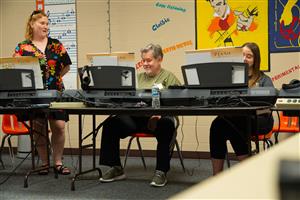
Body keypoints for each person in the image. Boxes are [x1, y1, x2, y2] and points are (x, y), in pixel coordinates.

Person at [99, 44, 181, 187]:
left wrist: (159, 115)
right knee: (111, 124)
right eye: (143, 61)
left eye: (149, 60)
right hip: (136, 118)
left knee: (167, 124)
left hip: (159, 119)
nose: (145, 64)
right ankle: (116, 168)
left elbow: (178, 102)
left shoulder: (169, 77)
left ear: (159, 59)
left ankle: (161, 171)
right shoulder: (136, 78)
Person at [13, 10, 71, 175]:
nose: (46, 26)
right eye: (42, 23)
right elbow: (15, 68)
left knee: (59, 126)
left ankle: (58, 163)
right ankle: (45, 163)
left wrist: (55, 78)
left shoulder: (56, 45)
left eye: (47, 23)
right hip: (34, 94)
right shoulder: (23, 47)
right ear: (32, 24)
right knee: (39, 128)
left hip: (56, 92)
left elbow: (66, 65)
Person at [209, 42, 274, 175]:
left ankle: (249, 171)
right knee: (217, 124)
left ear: (255, 59)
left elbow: (269, 103)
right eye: (242, 55)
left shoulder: (264, 80)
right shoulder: (231, 79)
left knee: (233, 124)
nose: (244, 59)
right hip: (237, 119)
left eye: (249, 56)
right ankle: (216, 175)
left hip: (260, 119)